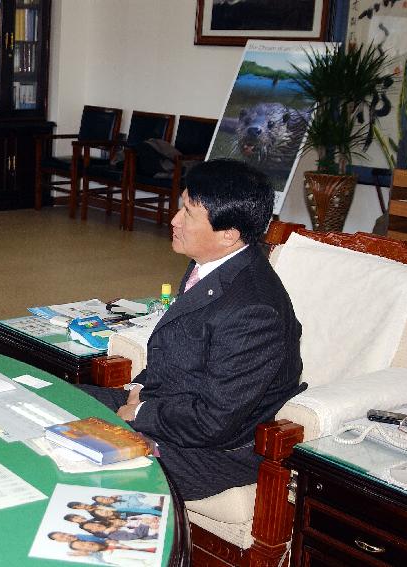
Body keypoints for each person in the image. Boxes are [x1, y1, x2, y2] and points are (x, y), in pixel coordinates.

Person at [79, 159, 305, 501]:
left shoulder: (255, 311)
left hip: (212, 452)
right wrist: (139, 388)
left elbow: (215, 422)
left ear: (229, 234)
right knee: (54, 401)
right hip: (167, 406)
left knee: (75, 457)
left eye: (188, 212)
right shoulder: (212, 263)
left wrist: (139, 412)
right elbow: (178, 348)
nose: (174, 220)